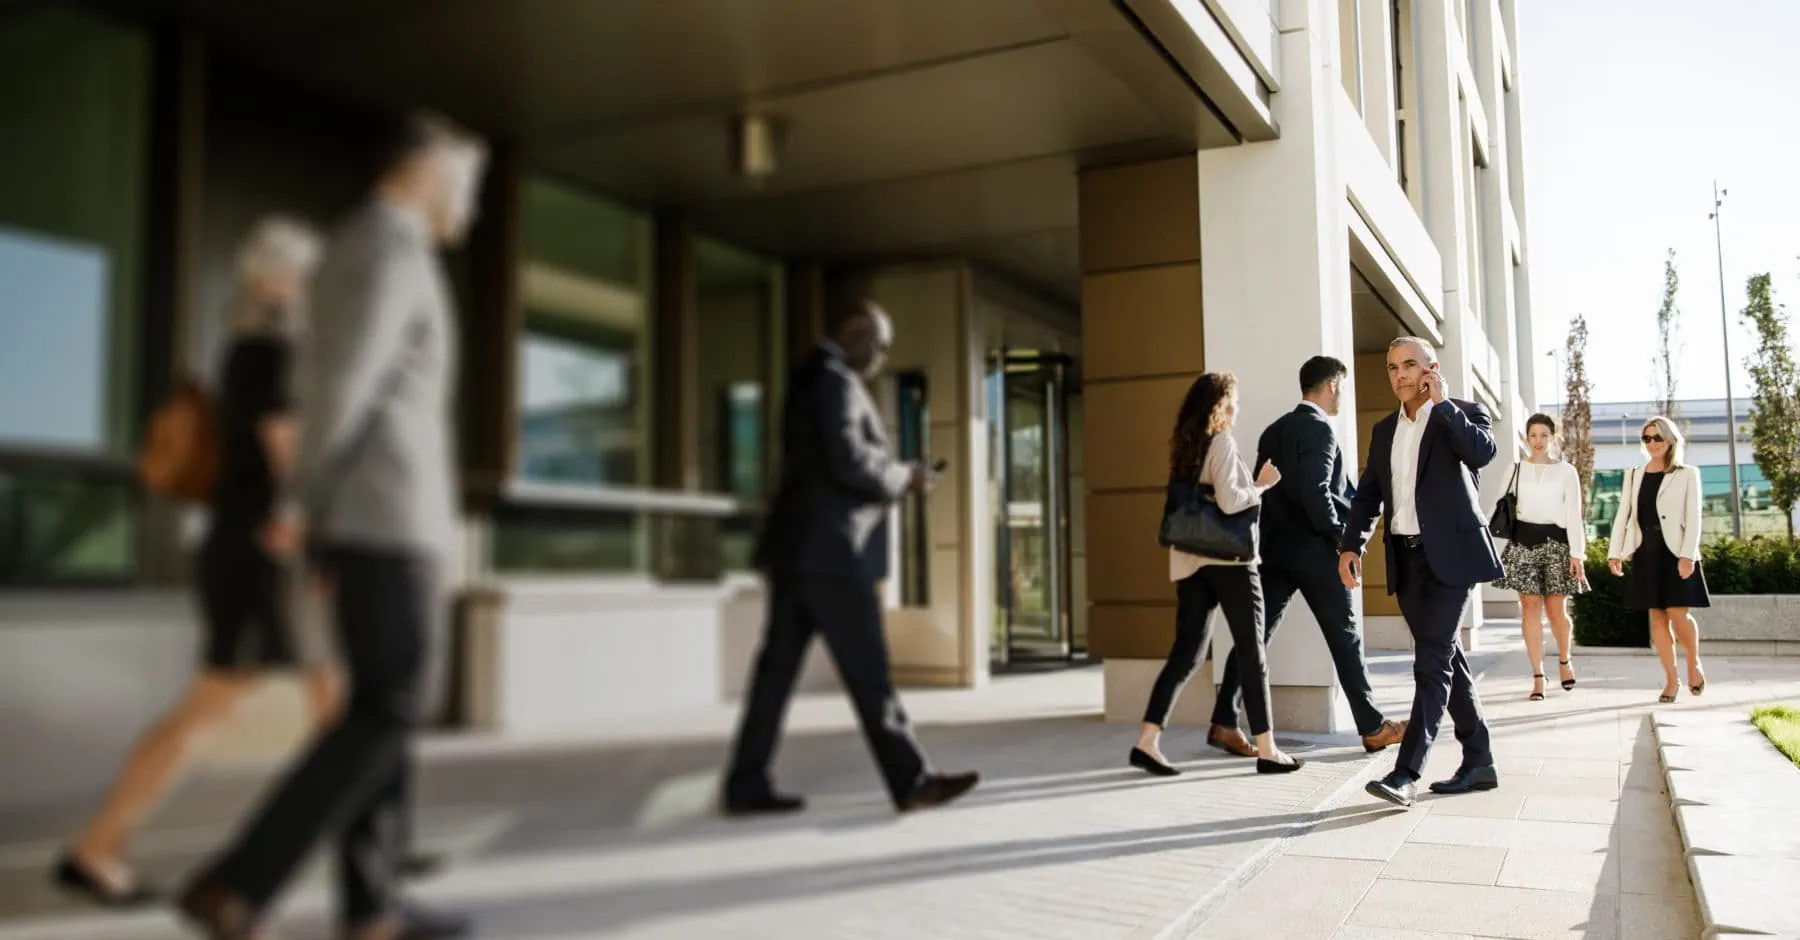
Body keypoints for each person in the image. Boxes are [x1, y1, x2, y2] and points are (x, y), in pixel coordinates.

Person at [178, 111, 485, 940]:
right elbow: (342, 388)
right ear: (426, 170)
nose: (473, 205)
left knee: (382, 706)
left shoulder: (373, 246)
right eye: (468, 183)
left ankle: (372, 908)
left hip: (378, 514)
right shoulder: (386, 247)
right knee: (390, 705)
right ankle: (240, 882)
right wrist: (306, 508)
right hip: (384, 516)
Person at [53, 218, 338, 908]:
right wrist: (311, 530)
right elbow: (286, 459)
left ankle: (374, 847)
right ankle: (96, 850)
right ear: (273, 280)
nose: (315, 287)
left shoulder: (265, 350)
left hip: (261, 546)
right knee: (212, 709)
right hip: (261, 549)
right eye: (305, 273)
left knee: (337, 701)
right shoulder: (265, 351)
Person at [723, 299, 980, 817]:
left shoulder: (809, 377)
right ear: (858, 335)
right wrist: (902, 476)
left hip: (796, 551)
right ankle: (911, 782)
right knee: (869, 671)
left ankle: (745, 782)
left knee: (775, 674)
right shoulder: (836, 381)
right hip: (831, 553)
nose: (883, 357)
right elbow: (849, 460)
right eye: (881, 345)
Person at [1207, 357, 1408, 759]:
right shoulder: (1320, 431)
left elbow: (1270, 489)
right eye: (1342, 388)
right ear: (1332, 385)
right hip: (1316, 553)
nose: (1342, 397)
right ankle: (1372, 728)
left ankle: (1225, 721)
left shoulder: (1274, 431)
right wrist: (1341, 540)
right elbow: (1316, 492)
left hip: (1275, 551)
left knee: (1254, 637)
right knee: (1345, 637)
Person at [1343, 338, 1503, 809]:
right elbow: (1368, 494)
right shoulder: (1383, 429)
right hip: (1407, 561)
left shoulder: (1463, 413)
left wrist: (1443, 404)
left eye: (1410, 365)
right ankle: (1479, 761)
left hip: (1452, 559)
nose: (1399, 375)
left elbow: (1481, 454)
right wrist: (1350, 545)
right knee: (1447, 660)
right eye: (1392, 368)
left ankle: (1405, 772)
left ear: (1431, 369)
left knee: (1430, 664)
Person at [1131, 372, 1305, 777]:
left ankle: (1147, 740)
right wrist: (1262, 486)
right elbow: (1230, 503)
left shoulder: (1184, 447)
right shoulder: (1222, 442)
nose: (1238, 407)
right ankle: (1267, 749)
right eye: (1234, 400)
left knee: (1186, 653)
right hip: (1230, 563)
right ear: (1220, 405)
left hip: (1190, 562)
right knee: (1252, 652)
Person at [1607, 416, 1708, 704]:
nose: (1652, 443)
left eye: (1657, 438)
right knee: (1656, 617)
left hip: (1676, 552)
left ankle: (1693, 663)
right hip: (1645, 552)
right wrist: (1615, 552)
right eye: (1647, 438)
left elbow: (1694, 518)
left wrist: (1688, 555)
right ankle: (1672, 680)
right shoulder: (1634, 474)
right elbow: (1623, 515)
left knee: (1678, 614)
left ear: (1670, 440)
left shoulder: (1687, 473)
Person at [1492, 413, 1588, 701]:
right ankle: (1537, 675)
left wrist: (1577, 553)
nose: (1538, 441)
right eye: (1533, 435)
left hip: (1556, 544)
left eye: (1543, 435)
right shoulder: (1516, 468)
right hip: (1523, 543)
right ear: (1526, 437)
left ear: (1552, 437)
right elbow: (1498, 506)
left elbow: (1574, 514)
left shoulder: (1566, 471)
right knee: (1530, 609)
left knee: (1557, 612)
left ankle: (1564, 658)